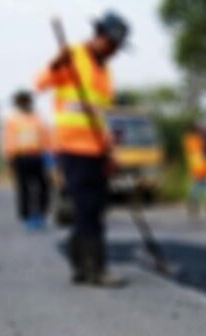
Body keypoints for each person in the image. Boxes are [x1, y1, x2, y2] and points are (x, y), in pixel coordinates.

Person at [35, 11, 128, 287]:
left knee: (93, 208)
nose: (113, 51)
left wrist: (110, 152)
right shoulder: (72, 56)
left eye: (117, 48)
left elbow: (103, 116)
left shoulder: (104, 71)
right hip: (73, 149)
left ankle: (80, 265)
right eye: (111, 45)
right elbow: (39, 83)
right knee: (87, 207)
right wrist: (55, 64)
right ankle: (96, 268)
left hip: (97, 150)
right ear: (100, 36)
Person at [2, 91, 51, 230]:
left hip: (38, 157)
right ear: (18, 104)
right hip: (21, 158)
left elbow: (46, 137)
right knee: (24, 189)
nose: (25, 104)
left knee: (43, 188)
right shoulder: (13, 120)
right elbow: (8, 140)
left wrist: (49, 156)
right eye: (22, 102)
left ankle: (41, 214)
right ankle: (27, 216)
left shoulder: (38, 118)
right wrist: (10, 158)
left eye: (26, 101)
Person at [183, 119, 206, 220]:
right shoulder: (192, 139)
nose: (202, 129)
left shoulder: (203, 137)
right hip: (199, 170)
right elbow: (196, 153)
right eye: (199, 127)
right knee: (196, 190)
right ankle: (193, 205)